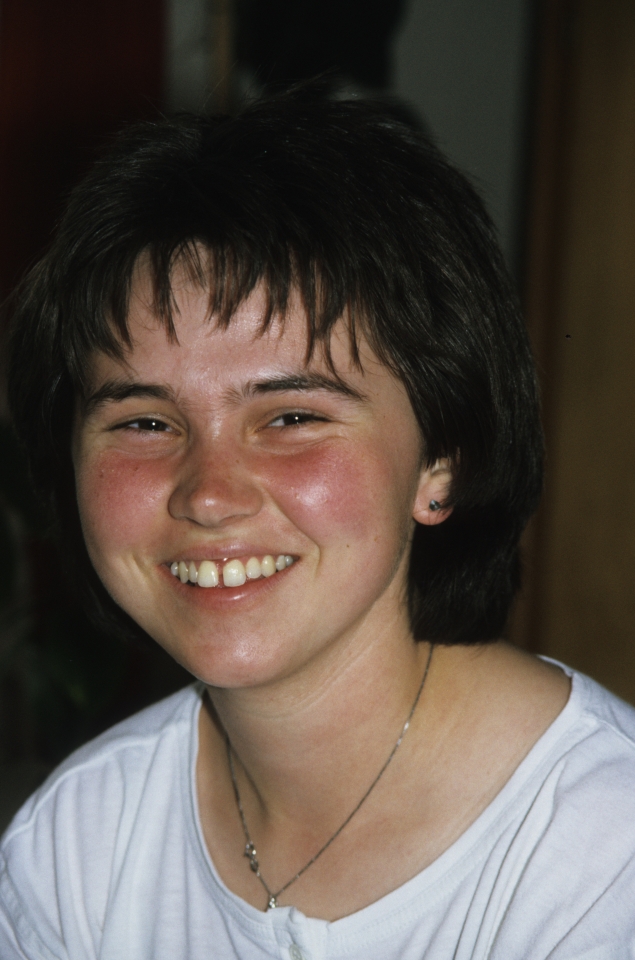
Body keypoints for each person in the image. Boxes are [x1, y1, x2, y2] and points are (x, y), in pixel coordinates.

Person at [1, 83, 634, 960]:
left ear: (440, 461)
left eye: (291, 416)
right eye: (144, 422)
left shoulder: (602, 855)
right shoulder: (74, 846)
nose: (208, 494)